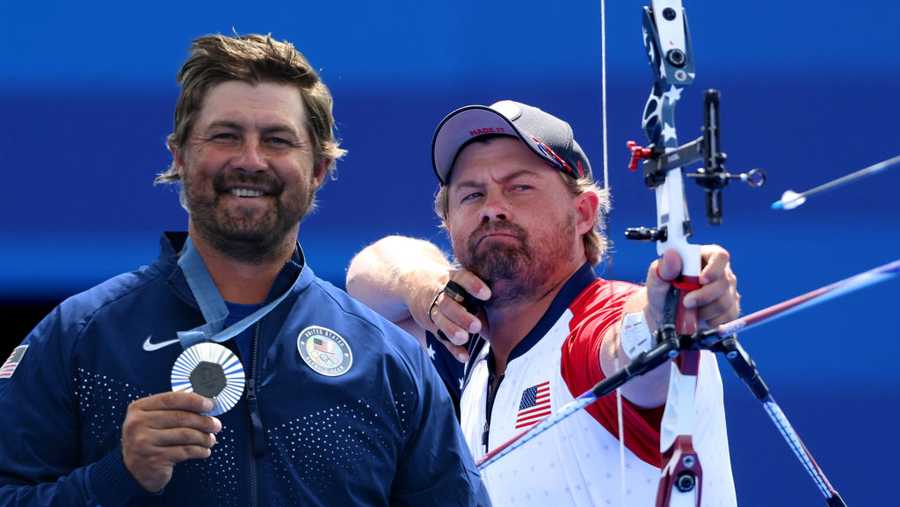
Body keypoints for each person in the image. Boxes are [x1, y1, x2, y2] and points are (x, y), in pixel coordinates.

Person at [0, 34, 490, 507]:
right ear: (180, 156)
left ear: (318, 168)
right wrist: (115, 477)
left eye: (277, 140)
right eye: (225, 136)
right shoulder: (79, 338)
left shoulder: (387, 361)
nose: (250, 160)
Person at [346, 100, 739, 505]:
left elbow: (632, 345)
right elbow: (366, 275)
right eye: (471, 195)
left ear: (583, 213)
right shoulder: (466, 345)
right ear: (448, 223)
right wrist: (425, 290)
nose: (492, 209)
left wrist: (667, 313)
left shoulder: (590, 328)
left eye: (520, 187)